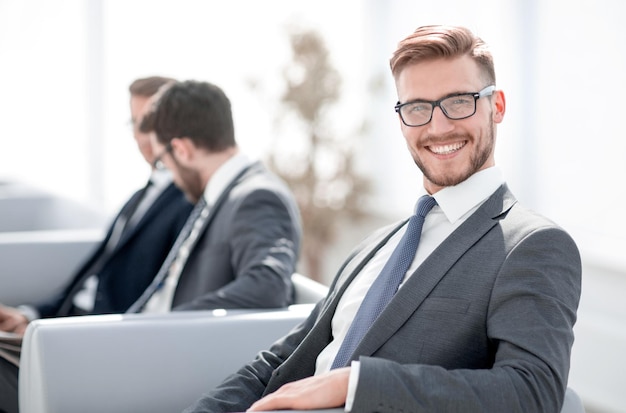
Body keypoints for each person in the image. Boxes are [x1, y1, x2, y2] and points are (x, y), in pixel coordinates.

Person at [182, 25, 582, 413]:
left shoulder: (533, 244)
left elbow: (532, 392)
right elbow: (279, 362)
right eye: (417, 108)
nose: (437, 126)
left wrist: (352, 384)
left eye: (460, 101)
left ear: (496, 106)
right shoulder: (376, 245)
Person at [0, 76, 194, 413]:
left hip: (88, 341)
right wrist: (31, 314)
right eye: (135, 123)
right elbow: (93, 272)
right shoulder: (139, 197)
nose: (142, 136)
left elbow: (151, 296)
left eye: (150, 123)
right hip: (61, 325)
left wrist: (68, 336)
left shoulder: (187, 201)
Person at [124, 79, 302, 313]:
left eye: (162, 161)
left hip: (177, 342)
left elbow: (268, 287)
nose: (170, 175)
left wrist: (171, 322)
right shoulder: (220, 196)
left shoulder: (257, 197)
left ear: (181, 150)